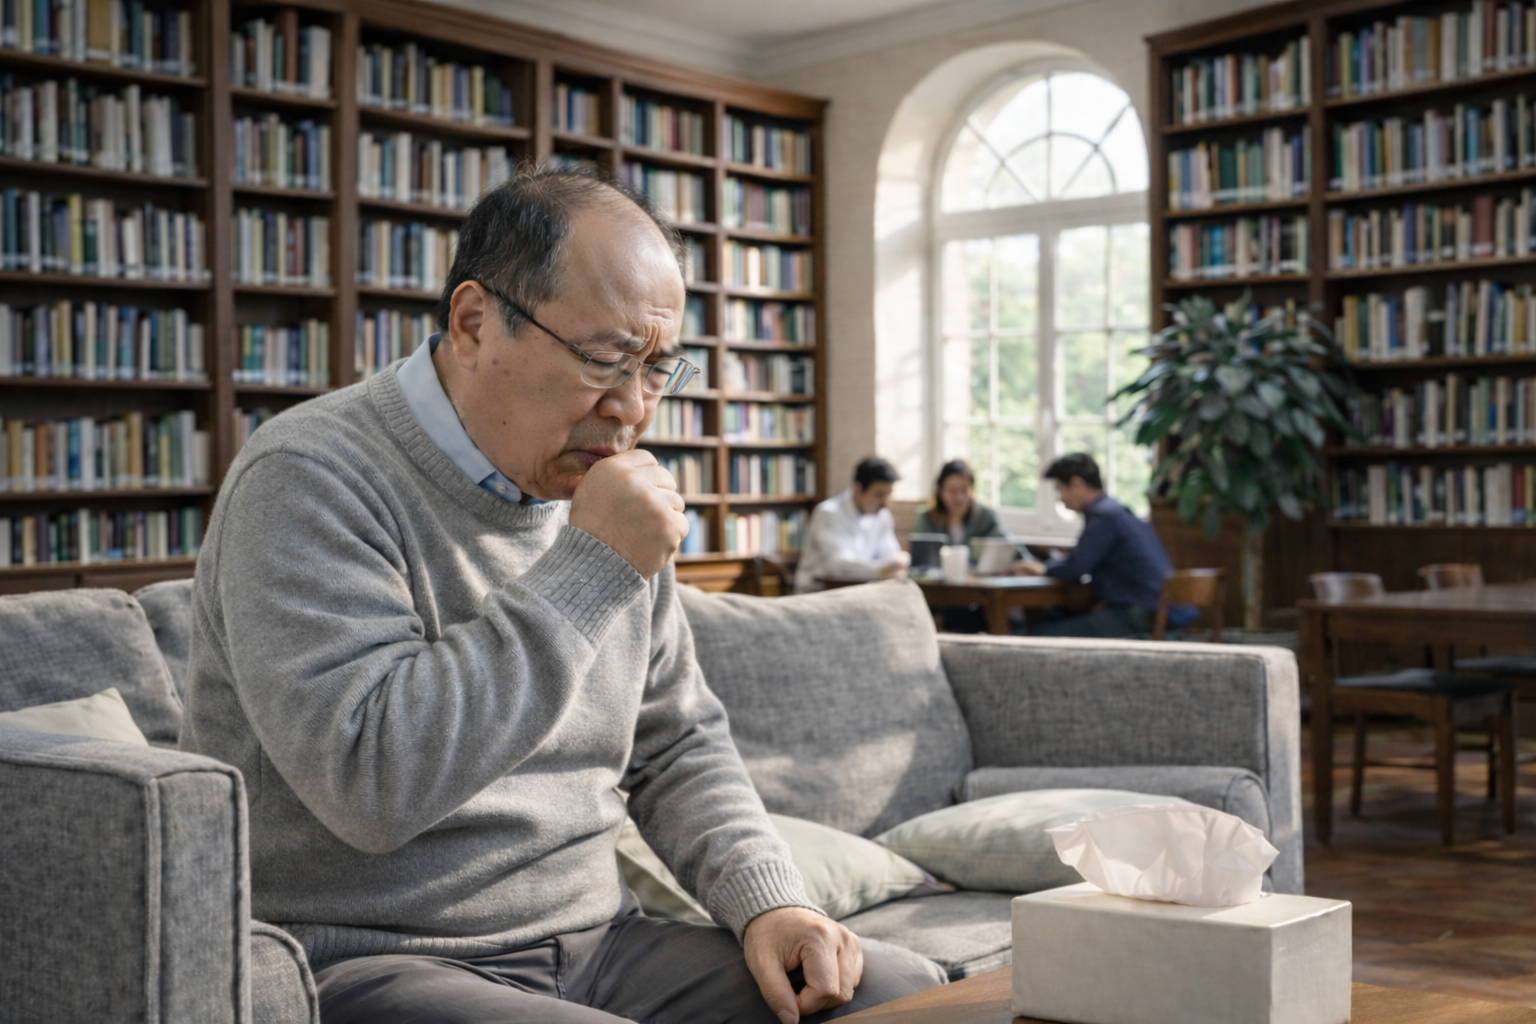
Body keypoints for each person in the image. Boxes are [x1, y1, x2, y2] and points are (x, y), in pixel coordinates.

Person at [178, 169, 934, 1024]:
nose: (632, 410)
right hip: (367, 956)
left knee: (899, 998)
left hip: (600, 941)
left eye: (656, 369)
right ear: (473, 324)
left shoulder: (604, 495)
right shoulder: (308, 476)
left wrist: (771, 901)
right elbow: (370, 786)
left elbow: (676, 742)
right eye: (606, 361)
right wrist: (592, 566)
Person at [1015, 453, 1193, 638]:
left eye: (1060, 489)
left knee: (1039, 636)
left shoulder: (1104, 516)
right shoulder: (1117, 511)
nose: (1060, 498)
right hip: (1159, 611)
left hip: (1142, 615)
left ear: (1076, 484)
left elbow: (1076, 567)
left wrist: (1041, 568)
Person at [794, 457, 909, 593]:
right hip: (819, 593)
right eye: (879, 495)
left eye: (889, 495)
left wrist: (899, 560)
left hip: (859, 592)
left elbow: (890, 555)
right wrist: (883, 569)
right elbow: (838, 564)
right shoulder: (829, 513)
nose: (885, 502)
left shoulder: (883, 515)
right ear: (858, 488)